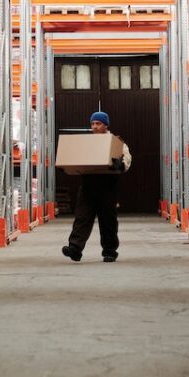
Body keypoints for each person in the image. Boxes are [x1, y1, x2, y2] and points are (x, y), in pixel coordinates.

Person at [62, 111, 131, 263]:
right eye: (92, 123)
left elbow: (126, 158)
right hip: (88, 185)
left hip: (107, 185)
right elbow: (75, 156)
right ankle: (75, 248)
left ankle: (109, 251)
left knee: (108, 220)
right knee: (82, 217)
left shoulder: (116, 142)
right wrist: (66, 164)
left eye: (98, 123)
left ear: (106, 125)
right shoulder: (86, 143)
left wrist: (121, 164)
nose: (94, 127)